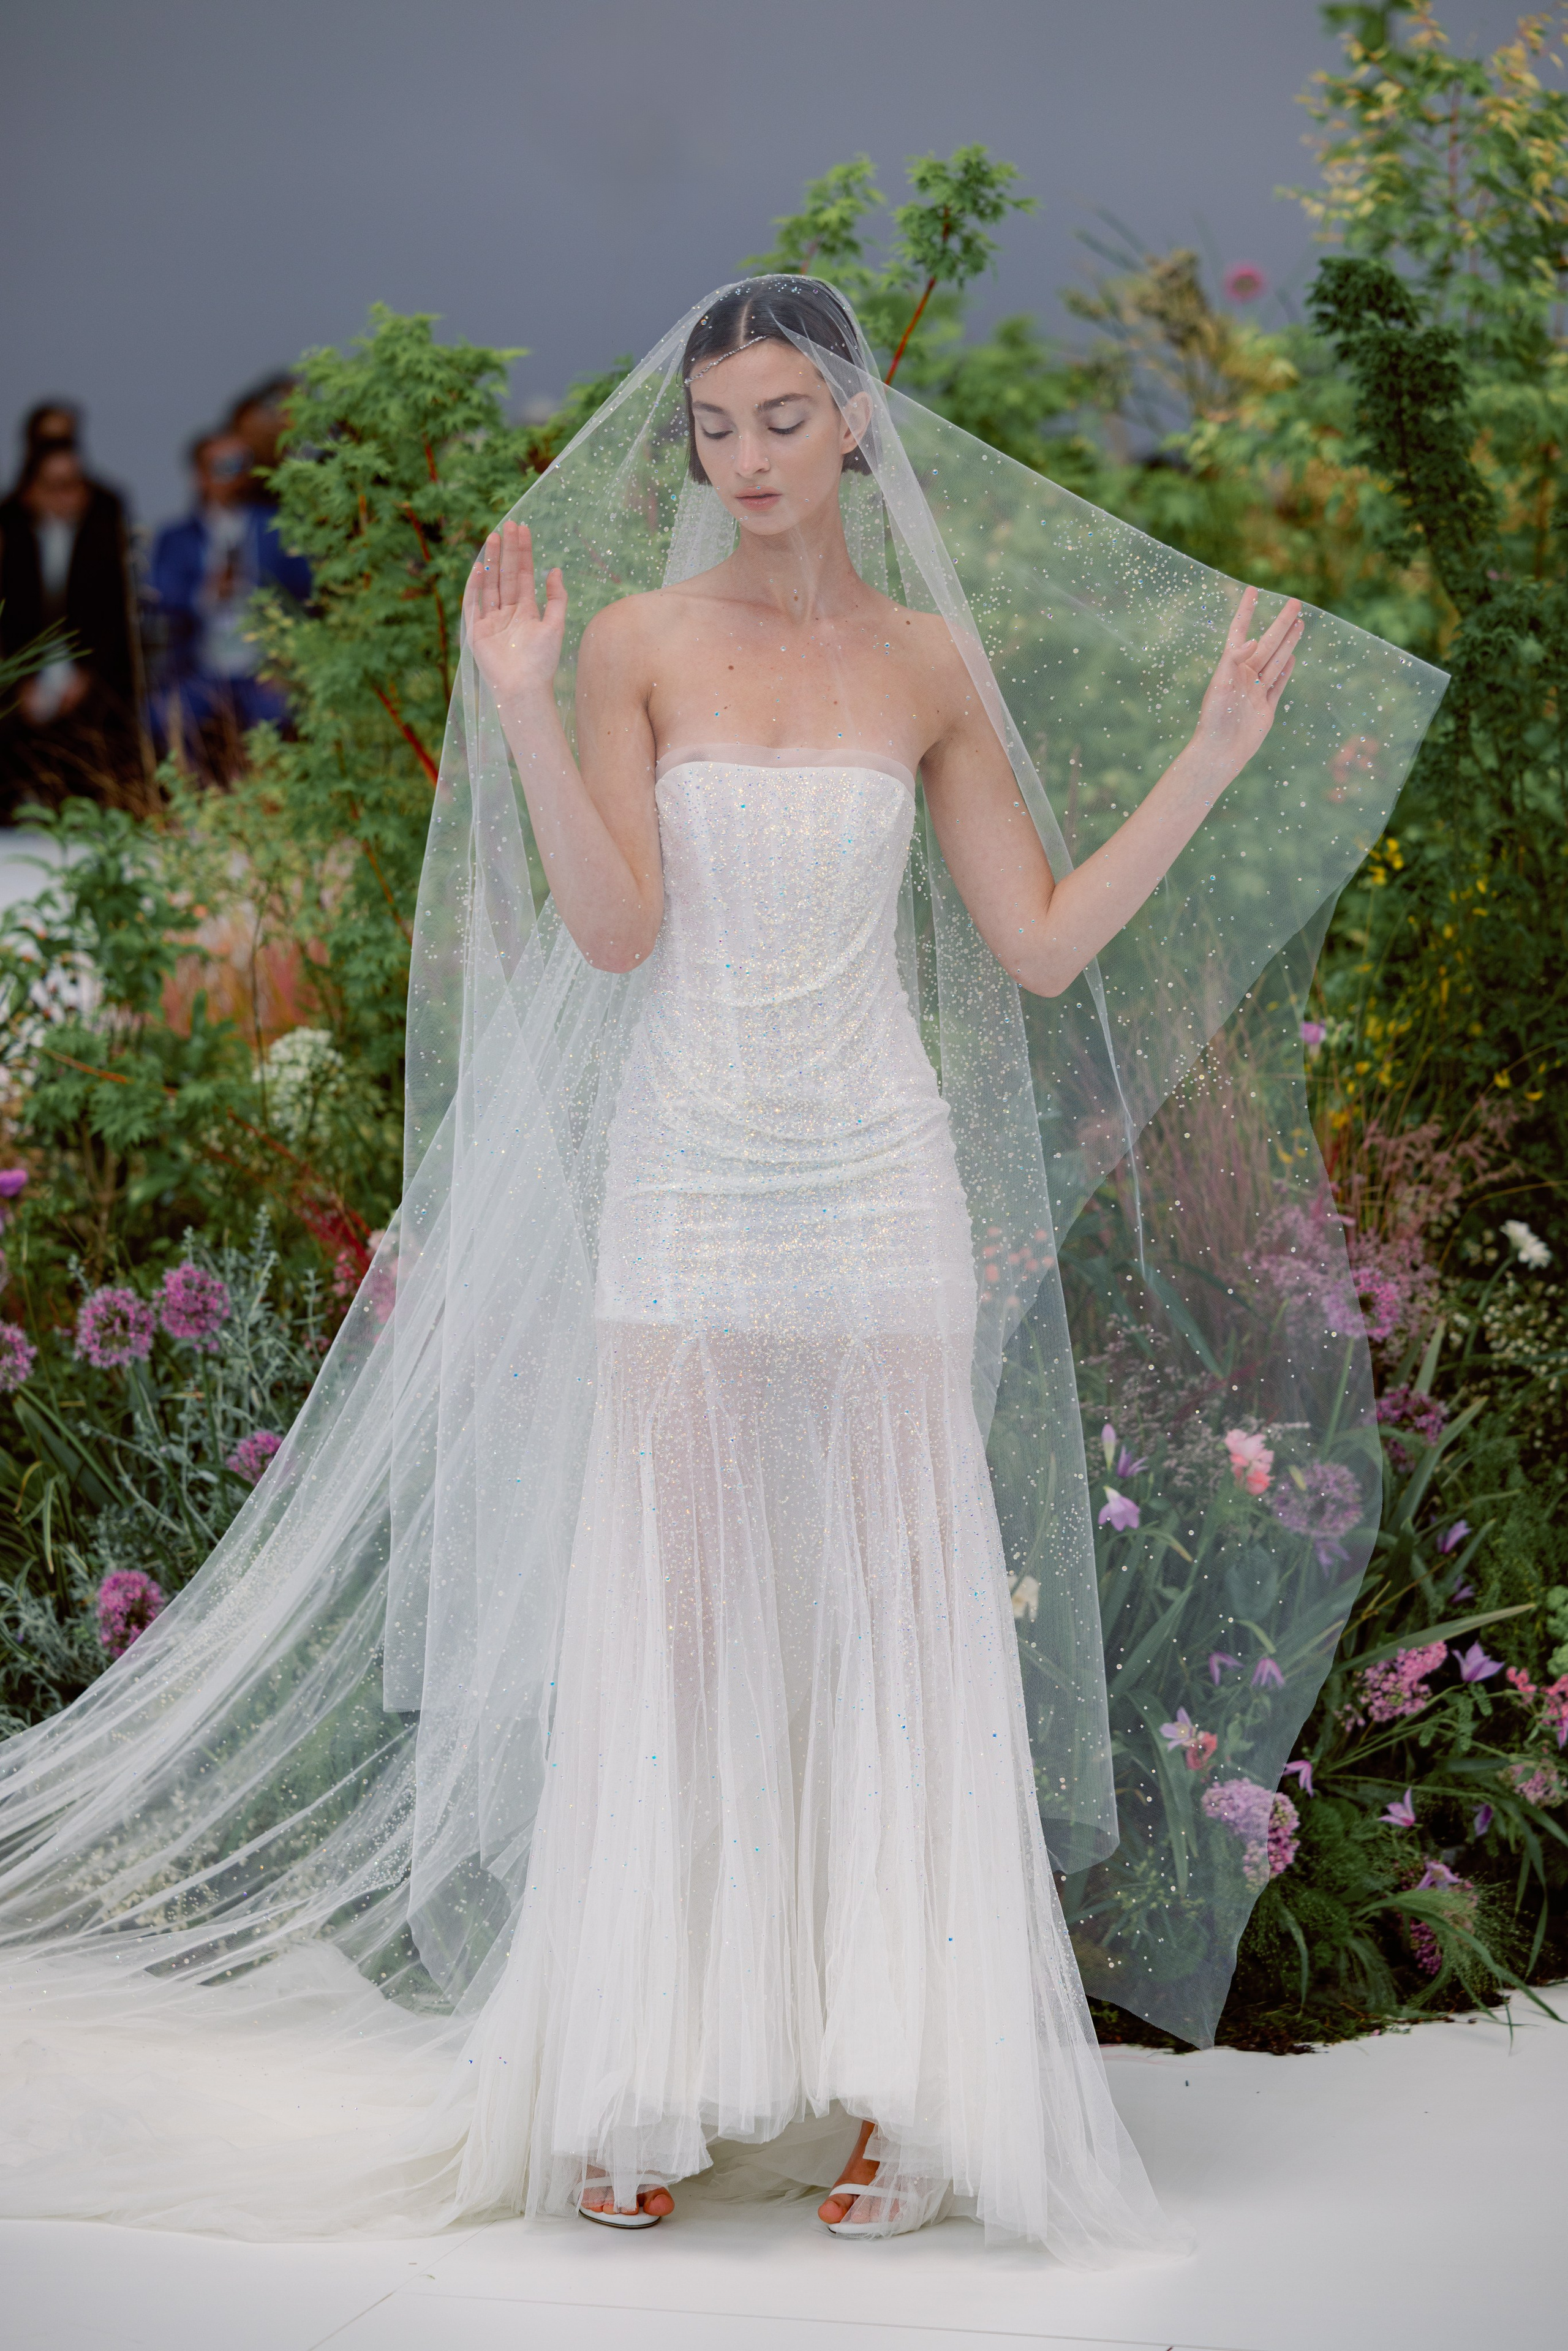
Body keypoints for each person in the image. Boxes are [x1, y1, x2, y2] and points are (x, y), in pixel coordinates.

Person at [0, 279, 1444, 2260]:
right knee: (676, 1632)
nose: (746, 456)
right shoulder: (636, 643)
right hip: (689, 1182)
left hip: (880, 1192)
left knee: (889, 1627)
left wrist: (1209, 755)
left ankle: (910, 2089)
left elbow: (1036, 944)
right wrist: (521, 704)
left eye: (782, 416)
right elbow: (611, 932)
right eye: (714, 423)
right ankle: (642, 2073)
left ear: (855, 424)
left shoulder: (927, 662)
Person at [0, 417, 145, 815]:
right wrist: (21, 679)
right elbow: (8, 617)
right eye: (56, 486)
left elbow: (114, 614)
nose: (69, 496)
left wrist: (86, 675)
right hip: (26, 667)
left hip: (91, 667)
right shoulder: (11, 528)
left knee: (100, 722)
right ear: (33, 490)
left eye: (75, 484)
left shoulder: (104, 521)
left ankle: (92, 811)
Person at [146, 427, 310, 776]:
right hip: (200, 667)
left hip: (266, 667)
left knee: (281, 713)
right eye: (223, 467)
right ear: (200, 476)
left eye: (241, 464)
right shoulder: (177, 538)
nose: (234, 475)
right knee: (164, 716)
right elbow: (163, 600)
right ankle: (196, 798)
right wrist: (207, 593)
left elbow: (307, 596)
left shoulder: (276, 527)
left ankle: (268, 797)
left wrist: (289, 662)